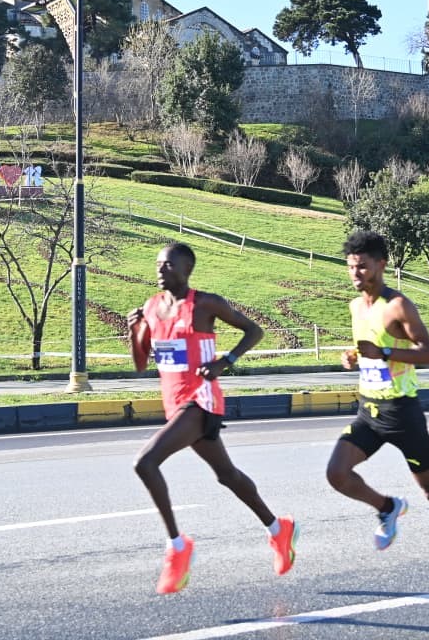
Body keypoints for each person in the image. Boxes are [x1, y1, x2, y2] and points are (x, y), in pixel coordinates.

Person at [126, 242, 297, 595]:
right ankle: (278, 529)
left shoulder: (205, 304)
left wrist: (225, 362)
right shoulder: (152, 307)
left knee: (145, 463)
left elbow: (254, 331)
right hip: (174, 404)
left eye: (169, 265)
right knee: (227, 476)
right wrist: (134, 331)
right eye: (158, 264)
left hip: (201, 400)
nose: (161, 270)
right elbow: (141, 363)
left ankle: (177, 546)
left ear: (187, 270)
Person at [325, 230, 429, 598]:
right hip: (369, 410)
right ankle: (388, 507)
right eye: (351, 267)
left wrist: (384, 353)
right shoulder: (354, 306)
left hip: (402, 411)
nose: (356, 273)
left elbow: (428, 353)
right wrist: (352, 356)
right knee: (336, 473)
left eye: (362, 266)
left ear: (381, 264)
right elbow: (367, 349)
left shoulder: (398, 305)